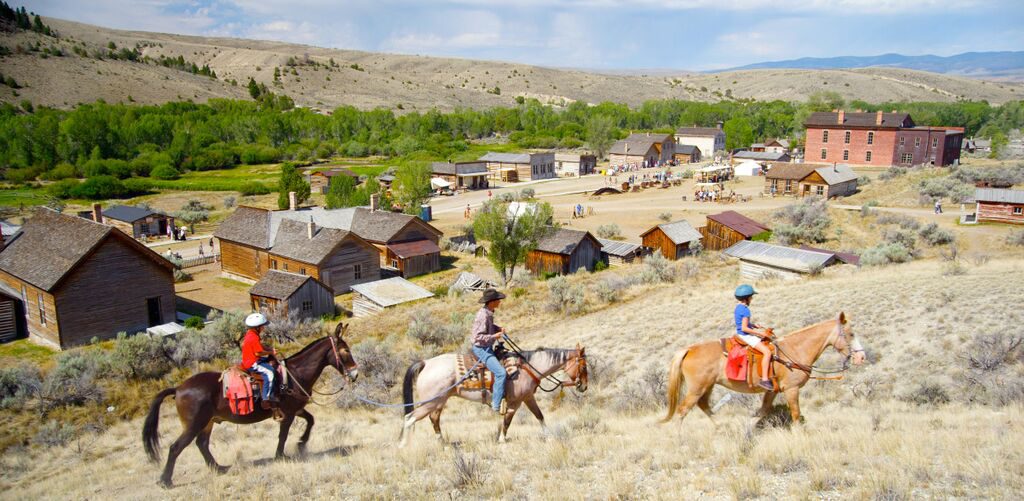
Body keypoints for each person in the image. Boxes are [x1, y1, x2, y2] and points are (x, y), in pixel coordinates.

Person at [471, 288, 508, 414]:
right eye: (498, 300)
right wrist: (494, 336)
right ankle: (496, 405)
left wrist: (498, 328)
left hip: (486, 346)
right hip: (481, 349)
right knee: (501, 373)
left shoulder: (489, 312)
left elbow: (489, 328)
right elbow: (477, 337)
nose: (500, 302)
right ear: (491, 302)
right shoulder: (483, 316)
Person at [734, 284, 774, 391]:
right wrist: (761, 334)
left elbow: (742, 323)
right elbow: (744, 328)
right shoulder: (746, 310)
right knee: (767, 352)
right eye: (751, 297)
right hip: (745, 336)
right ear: (746, 298)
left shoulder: (738, 307)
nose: (752, 299)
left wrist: (753, 325)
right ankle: (765, 379)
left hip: (739, 334)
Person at [240, 313, 279, 409]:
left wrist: (269, 349)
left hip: (251, 359)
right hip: (252, 363)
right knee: (270, 372)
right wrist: (270, 352)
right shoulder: (253, 337)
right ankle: (267, 398)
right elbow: (258, 353)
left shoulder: (251, 334)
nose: (264, 328)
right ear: (257, 327)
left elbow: (260, 347)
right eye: (262, 326)